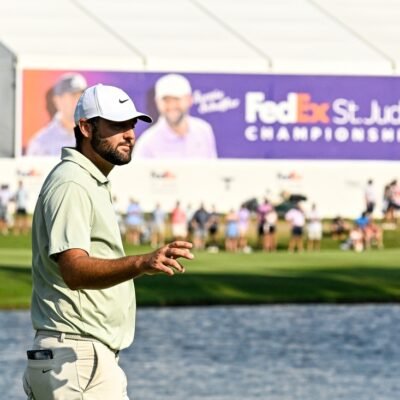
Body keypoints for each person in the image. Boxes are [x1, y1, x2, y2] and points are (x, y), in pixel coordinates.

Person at [22, 84, 194, 400]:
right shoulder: (73, 183)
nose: (129, 135)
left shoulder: (87, 180)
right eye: (116, 125)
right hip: (75, 357)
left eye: (131, 125)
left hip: (79, 357)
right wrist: (142, 262)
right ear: (86, 128)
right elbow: (74, 270)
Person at [133, 73, 218, 159]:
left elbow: (212, 166)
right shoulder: (147, 143)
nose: (172, 106)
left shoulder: (204, 131)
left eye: (177, 99)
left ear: (189, 100)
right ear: (157, 103)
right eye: (166, 100)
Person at [26, 73, 88, 156]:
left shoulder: (96, 137)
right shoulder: (41, 143)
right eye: (73, 96)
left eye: (81, 95)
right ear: (57, 100)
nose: (78, 101)